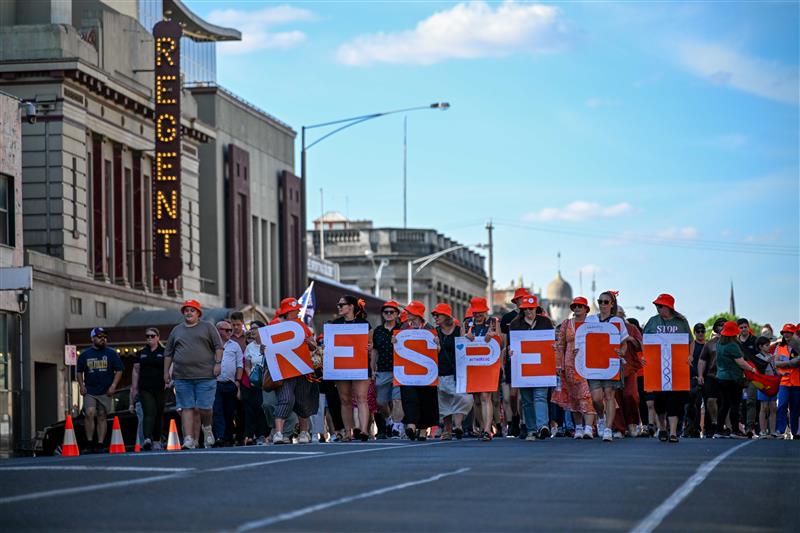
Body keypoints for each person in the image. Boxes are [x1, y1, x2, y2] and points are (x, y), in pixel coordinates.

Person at [163, 300, 223, 449]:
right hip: (182, 377)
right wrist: (166, 372)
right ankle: (189, 439)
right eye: (186, 310)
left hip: (206, 376)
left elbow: (218, 347)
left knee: (205, 408)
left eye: (192, 310)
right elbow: (168, 353)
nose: (189, 313)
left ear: (198, 313)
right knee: (186, 407)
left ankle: (207, 428)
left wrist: (218, 363)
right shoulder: (176, 330)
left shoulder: (208, 327)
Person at [642, 294, 693, 443]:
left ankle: (672, 433)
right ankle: (662, 428)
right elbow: (644, 341)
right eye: (656, 306)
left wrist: (690, 356)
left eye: (661, 306)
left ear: (669, 307)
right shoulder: (652, 322)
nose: (658, 308)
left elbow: (691, 341)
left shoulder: (681, 322)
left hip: (677, 369)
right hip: (657, 369)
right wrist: (644, 357)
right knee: (659, 402)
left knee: (674, 401)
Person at [270, 298, 319, 445]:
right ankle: (278, 433)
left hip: (302, 369)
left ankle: (304, 432)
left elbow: (313, 346)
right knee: (285, 399)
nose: (298, 311)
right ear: (287, 312)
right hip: (284, 370)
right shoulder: (275, 325)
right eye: (295, 309)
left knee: (302, 400)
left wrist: (310, 342)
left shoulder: (302, 326)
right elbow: (264, 344)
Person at [507, 295, 555, 440]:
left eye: (531, 308)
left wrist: (553, 347)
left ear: (536, 309)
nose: (528, 311)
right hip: (523, 366)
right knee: (527, 400)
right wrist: (510, 350)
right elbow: (511, 344)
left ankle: (542, 426)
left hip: (542, 366)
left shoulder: (545, 322)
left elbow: (552, 341)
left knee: (540, 396)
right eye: (525, 309)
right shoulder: (515, 323)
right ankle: (531, 430)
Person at [585, 291, 628, 442]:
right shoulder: (590, 320)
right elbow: (582, 340)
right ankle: (601, 418)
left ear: (612, 304)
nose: (602, 304)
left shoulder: (618, 321)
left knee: (609, 395)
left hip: (611, 363)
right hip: (593, 364)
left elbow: (624, 342)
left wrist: (622, 352)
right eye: (600, 301)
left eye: (605, 302)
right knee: (596, 398)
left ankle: (608, 429)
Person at [330, 295, 373, 441]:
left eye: (342, 305)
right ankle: (348, 432)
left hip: (360, 365)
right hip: (342, 365)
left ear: (351, 307)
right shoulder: (335, 324)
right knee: (345, 399)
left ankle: (364, 430)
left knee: (361, 397)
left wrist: (370, 346)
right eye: (339, 305)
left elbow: (371, 345)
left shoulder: (364, 324)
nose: (339, 307)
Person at [553, 297, 597, 439]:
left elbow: (598, 343)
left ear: (586, 309)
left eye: (580, 306)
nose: (577, 308)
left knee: (588, 396)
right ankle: (578, 427)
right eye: (575, 306)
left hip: (588, 364)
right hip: (570, 364)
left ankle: (589, 427)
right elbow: (560, 345)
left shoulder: (592, 325)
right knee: (574, 397)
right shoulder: (567, 324)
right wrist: (559, 365)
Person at [397, 301, 440, 440]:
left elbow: (437, 351)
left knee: (426, 399)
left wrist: (437, 344)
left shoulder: (430, 329)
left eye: (410, 312)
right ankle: (411, 425)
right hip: (408, 371)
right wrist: (395, 341)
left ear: (417, 314)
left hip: (426, 372)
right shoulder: (403, 327)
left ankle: (422, 430)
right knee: (409, 397)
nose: (407, 314)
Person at [77, 327, 123, 453]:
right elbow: (79, 372)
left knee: (102, 416)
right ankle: (90, 442)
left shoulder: (111, 353)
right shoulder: (85, 354)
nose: (103, 339)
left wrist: (113, 386)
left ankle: (100, 444)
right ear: (92, 338)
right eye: (99, 336)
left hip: (105, 390)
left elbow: (119, 370)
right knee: (90, 413)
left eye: (104, 337)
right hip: (90, 390)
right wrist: (81, 385)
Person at [464, 297, 504, 441]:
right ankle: (482, 427)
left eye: (480, 312)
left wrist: (493, 337)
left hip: (488, 365)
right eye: (475, 312)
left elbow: (501, 343)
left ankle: (487, 429)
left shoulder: (493, 322)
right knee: (476, 399)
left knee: (485, 396)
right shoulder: (468, 324)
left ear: (485, 311)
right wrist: (466, 337)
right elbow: (461, 345)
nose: (477, 315)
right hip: (473, 365)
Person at [433, 303, 474, 440]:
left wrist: (469, 339)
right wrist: (436, 345)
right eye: (434, 315)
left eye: (438, 315)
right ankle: (447, 430)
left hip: (458, 372)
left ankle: (458, 426)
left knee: (463, 398)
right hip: (441, 372)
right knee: (444, 402)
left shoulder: (458, 329)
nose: (435, 317)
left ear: (446, 316)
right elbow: (432, 353)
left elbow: (465, 347)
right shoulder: (435, 331)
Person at [715, 321, 753, 438]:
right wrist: (752, 369)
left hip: (720, 377)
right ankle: (735, 430)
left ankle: (719, 430)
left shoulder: (719, 344)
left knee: (724, 405)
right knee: (735, 405)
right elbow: (741, 362)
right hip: (733, 378)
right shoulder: (732, 346)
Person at [130, 327, 166, 451]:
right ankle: (147, 439)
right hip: (145, 387)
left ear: (158, 337)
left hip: (161, 387)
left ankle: (156, 440)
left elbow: (170, 367)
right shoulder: (141, 353)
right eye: (147, 336)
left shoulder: (164, 352)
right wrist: (134, 388)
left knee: (159, 414)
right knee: (149, 411)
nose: (150, 338)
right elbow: (135, 371)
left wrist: (169, 380)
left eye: (152, 336)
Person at [499, 287, 528, 437]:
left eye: (525, 298)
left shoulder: (534, 316)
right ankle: (515, 417)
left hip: (528, 358)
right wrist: (503, 362)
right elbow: (504, 344)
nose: (522, 301)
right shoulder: (507, 318)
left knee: (524, 395)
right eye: (520, 298)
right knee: (512, 395)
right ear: (516, 301)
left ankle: (523, 423)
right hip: (511, 359)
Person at [372, 300, 403, 439]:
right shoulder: (377, 330)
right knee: (381, 401)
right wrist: (373, 368)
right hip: (383, 369)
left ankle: (397, 426)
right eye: (386, 312)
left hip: (400, 369)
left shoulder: (403, 329)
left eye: (392, 312)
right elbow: (374, 350)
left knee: (397, 400)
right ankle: (389, 420)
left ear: (397, 314)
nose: (389, 314)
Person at [212, 320, 243, 446]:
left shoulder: (235, 345)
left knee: (229, 412)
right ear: (218, 330)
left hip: (230, 383)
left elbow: (240, 365)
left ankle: (229, 437)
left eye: (231, 330)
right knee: (217, 411)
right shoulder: (211, 345)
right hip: (215, 383)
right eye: (227, 330)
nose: (230, 332)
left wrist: (237, 382)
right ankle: (219, 437)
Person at [242, 321, 270, 445]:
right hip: (255, 383)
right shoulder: (249, 347)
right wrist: (251, 377)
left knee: (266, 408)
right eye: (251, 328)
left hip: (268, 382)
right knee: (254, 409)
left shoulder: (269, 343)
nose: (252, 330)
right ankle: (256, 435)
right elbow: (247, 365)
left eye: (255, 328)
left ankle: (266, 434)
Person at [697, 318, 726, 437]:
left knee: (726, 403)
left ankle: (726, 426)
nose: (722, 327)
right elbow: (702, 360)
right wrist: (700, 375)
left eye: (724, 325)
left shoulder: (734, 342)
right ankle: (715, 422)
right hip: (712, 375)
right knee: (710, 400)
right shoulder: (710, 343)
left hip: (727, 376)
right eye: (720, 325)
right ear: (716, 328)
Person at [774, 323, 800, 439]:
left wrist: (784, 364)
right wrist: (789, 364)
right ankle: (780, 430)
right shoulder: (779, 347)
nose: (786, 334)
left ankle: (795, 431)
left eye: (789, 332)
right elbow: (774, 363)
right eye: (784, 332)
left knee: (795, 407)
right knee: (782, 405)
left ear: (794, 334)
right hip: (783, 381)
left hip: (797, 381)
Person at [683, 323, 707, 438]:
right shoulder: (692, 345)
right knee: (692, 404)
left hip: (706, 378)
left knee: (707, 404)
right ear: (694, 333)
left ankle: (703, 428)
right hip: (692, 379)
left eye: (703, 331)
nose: (701, 333)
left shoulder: (707, 345)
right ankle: (691, 428)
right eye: (698, 331)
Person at [752, 336, 778, 438]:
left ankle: (773, 431)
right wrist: (767, 360)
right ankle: (763, 431)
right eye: (766, 345)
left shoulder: (771, 356)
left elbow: (775, 369)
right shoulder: (757, 356)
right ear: (760, 346)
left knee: (773, 407)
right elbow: (758, 369)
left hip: (772, 383)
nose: (768, 347)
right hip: (763, 384)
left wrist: (781, 374)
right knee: (764, 407)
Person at [737, 318, 759, 436]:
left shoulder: (755, 341)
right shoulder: (735, 342)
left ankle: (750, 427)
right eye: (741, 327)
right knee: (737, 402)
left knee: (751, 401)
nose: (744, 329)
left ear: (748, 327)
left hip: (752, 375)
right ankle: (738, 426)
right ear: (738, 329)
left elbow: (761, 357)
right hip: (738, 375)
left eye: (746, 327)